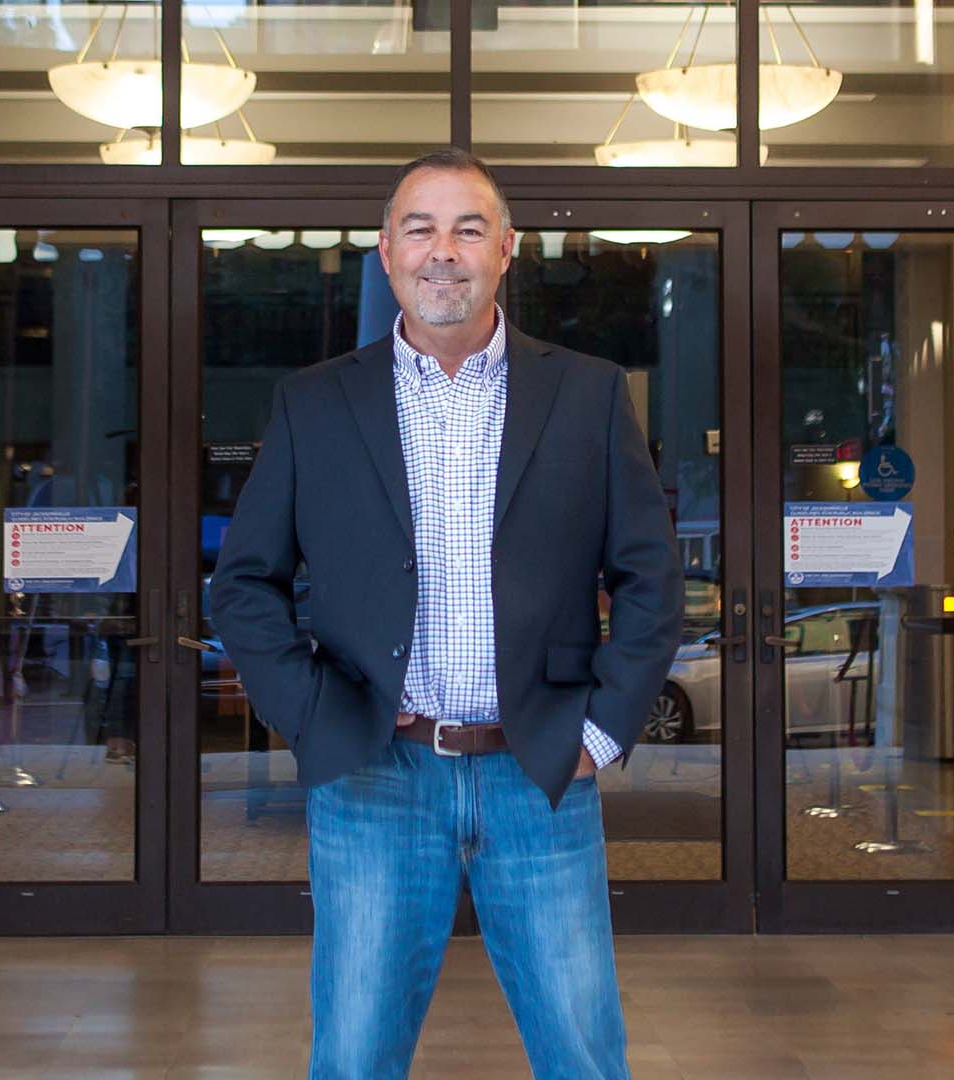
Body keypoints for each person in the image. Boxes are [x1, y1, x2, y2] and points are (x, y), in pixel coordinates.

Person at [210, 148, 682, 1080]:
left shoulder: (585, 394)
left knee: (585, 1055)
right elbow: (243, 585)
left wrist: (599, 732)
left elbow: (649, 575)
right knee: (352, 1057)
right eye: (420, 229)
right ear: (386, 254)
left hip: (540, 770)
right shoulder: (315, 402)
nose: (443, 251)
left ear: (507, 250)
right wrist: (314, 714)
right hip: (375, 779)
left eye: (468, 229)